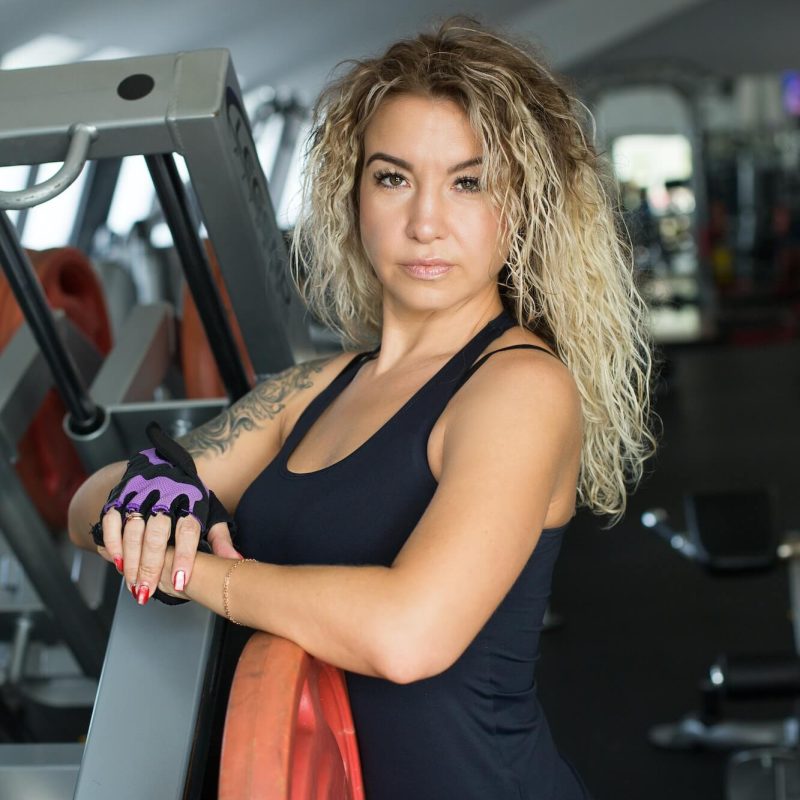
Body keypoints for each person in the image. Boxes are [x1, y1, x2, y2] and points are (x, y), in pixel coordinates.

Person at [68, 17, 655, 799]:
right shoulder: (312, 389)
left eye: (469, 182)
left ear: (523, 207)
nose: (424, 223)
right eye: (393, 178)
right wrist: (152, 496)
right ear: (353, 196)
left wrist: (190, 570)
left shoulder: (518, 387)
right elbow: (89, 502)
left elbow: (408, 634)